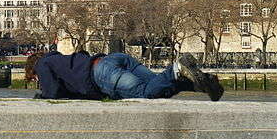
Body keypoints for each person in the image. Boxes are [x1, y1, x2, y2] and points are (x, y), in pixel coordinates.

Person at [25, 49, 224, 101]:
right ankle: (201, 83)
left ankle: (176, 69)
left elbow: (52, 92)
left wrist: (41, 95)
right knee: (158, 85)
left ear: (33, 70)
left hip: (101, 74)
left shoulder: (43, 64)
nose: (37, 81)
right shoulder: (60, 60)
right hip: (113, 59)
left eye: (34, 79)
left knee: (146, 94)